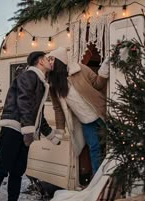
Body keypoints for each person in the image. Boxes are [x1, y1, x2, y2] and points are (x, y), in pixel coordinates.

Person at [0, 51, 61, 201]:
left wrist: (51, 136)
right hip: (14, 128)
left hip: (23, 130)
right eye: (46, 59)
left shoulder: (40, 81)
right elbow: (23, 102)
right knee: (2, 169)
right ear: (39, 61)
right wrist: (28, 131)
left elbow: (38, 115)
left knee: (17, 171)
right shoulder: (29, 76)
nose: (49, 62)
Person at [47, 47, 110, 176]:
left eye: (52, 59)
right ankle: (97, 179)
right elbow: (58, 109)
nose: (49, 62)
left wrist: (104, 69)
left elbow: (98, 84)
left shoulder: (80, 69)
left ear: (60, 60)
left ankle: (112, 177)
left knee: (111, 146)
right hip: (85, 121)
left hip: (100, 114)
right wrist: (60, 130)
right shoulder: (54, 85)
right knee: (94, 148)